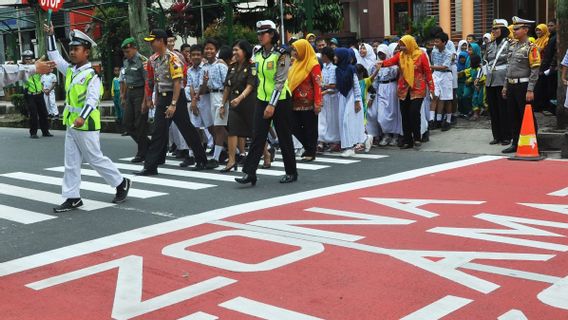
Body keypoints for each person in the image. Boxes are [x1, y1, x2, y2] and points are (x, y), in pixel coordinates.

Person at [45, 25, 131, 212]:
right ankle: (72, 197)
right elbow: (54, 56)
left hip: (86, 124)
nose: (72, 52)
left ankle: (121, 182)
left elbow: (93, 99)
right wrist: (50, 35)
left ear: (87, 52)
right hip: (71, 123)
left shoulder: (92, 75)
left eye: (76, 49)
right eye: (71, 49)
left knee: (94, 158)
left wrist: (82, 117)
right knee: (71, 162)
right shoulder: (70, 70)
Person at [136, 29, 212, 175]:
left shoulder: (172, 58)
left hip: (175, 97)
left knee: (187, 129)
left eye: (153, 41)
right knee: (159, 131)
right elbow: (154, 81)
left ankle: (201, 159)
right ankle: (151, 165)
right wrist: (152, 98)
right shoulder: (153, 59)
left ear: (161, 41)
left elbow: (177, 82)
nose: (151, 44)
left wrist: (173, 104)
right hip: (163, 97)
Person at [236, 20, 298, 186]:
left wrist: (272, 104)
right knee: (257, 136)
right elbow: (256, 75)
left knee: (284, 137)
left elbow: (280, 81)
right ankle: (250, 173)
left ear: (271, 34)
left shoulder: (282, 53)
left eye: (263, 33)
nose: (259, 36)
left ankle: (291, 172)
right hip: (262, 99)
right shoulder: (257, 53)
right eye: (258, 33)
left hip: (280, 100)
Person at [379, 35, 435, 149]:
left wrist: (432, 88)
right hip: (403, 89)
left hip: (418, 88)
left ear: (410, 44)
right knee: (404, 115)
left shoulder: (421, 55)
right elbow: (389, 62)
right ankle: (407, 141)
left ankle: (417, 138)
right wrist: (380, 64)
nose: (401, 47)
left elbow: (428, 73)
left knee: (414, 112)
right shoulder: (400, 56)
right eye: (400, 45)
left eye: (403, 45)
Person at [501, 17, 541, 154]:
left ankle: (533, 143)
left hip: (523, 86)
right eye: (514, 28)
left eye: (517, 28)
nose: (514, 31)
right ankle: (515, 142)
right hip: (511, 85)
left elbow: (535, 70)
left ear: (525, 30)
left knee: (527, 115)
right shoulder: (512, 46)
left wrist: (530, 89)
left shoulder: (532, 47)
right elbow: (509, 68)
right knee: (512, 116)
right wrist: (505, 86)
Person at [219, 40, 256, 172]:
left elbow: (250, 86)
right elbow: (227, 87)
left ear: (244, 52)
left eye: (237, 50)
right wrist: (222, 104)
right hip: (234, 103)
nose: (234, 53)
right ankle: (231, 160)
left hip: (248, 103)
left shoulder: (252, 66)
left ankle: (267, 153)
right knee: (233, 131)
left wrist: (240, 98)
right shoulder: (232, 66)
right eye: (233, 50)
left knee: (254, 131)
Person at [288, 39, 322, 162]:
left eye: (295, 49)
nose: (294, 52)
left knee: (310, 128)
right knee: (293, 126)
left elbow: (318, 84)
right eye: (293, 49)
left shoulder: (313, 64)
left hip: (309, 102)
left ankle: (311, 151)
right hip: (294, 102)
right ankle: (308, 147)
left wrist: (318, 102)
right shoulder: (296, 64)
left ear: (303, 49)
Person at [200, 38, 229, 167]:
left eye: (211, 48)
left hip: (221, 95)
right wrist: (205, 82)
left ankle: (216, 158)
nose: (209, 51)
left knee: (218, 127)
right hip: (211, 95)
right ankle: (235, 151)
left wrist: (223, 102)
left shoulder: (221, 65)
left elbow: (228, 84)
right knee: (216, 126)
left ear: (216, 50)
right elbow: (202, 90)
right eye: (206, 48)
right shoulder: (204, 67)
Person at [120, 38, 149, 163]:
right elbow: (126, 80)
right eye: (125, 52)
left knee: (140, 124)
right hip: (130, 93)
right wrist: (123, 96)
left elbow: (147, 82)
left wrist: (145, 101)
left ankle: (142, 152)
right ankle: (148, 144)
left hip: (140, 92)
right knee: (127, 123)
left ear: (134, 48)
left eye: (128, 51)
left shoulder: (142, 61)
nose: (126, 54)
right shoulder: (126, 62)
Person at [484, 19, 512, 146]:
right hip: (490, 80)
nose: (494, 31)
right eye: (493, 29)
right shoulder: (490, 44)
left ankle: (506, 136)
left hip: (502, 79)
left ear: (503, 30)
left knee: (503, 109)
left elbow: (510, 62)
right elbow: (485, 61)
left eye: (496, 29)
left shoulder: (509, 43)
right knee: (493, 109)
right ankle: (497, 135)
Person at [334, 48, 364, 157]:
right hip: (342, 97)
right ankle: (363, 140)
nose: (334, 57)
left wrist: (357, 101)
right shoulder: (337, 69)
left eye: (336, 55)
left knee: (347, 122)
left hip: (352, 97)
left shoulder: (351, 69)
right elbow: (338, 86)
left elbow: (356, 86)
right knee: (343, 122)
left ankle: (350, 147)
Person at [373, 44, 402, 147]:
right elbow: (375, 79)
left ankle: (395, 135)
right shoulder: (377, 64)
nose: (381, 55)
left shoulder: (394, 65)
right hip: (381, 88)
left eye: (382, 53)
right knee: (381, 115)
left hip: (392, 87)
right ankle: (386, 134)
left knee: (393, 112)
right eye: (379, 53)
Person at [22, 50, 52, 139]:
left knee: (44, 113)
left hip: (39, 94)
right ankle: (33, 133)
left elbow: (42, 70)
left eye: (30, 59)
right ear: (23, 60)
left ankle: (45, 131)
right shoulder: (23, 69)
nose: (28, 60)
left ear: (32, 59)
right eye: (26, 59)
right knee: (33, 114)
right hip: (30, 95)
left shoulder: (36, 68)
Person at [429, 32, 454, 131]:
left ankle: (448, 121)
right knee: (434, 96)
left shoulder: (448, 53)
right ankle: (432, 120)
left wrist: (430, 67)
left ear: (444, 42)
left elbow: (444, 67)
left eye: (437, 41)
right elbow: (433, 62)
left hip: (446, 75)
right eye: (434, 41)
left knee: (447, 99)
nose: (435, 43)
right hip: (436, 74)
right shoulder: (434, 52)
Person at [318, 46, 341, 152]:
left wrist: (322, 85)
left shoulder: (333, 68)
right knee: (323, 119)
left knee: (332, 119)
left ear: (326, 56)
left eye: (322, 55)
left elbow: (332, 85)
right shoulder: (324, 67)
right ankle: (322, 141)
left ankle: (335, 141)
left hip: (332, 97)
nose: (321, 57)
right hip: (324, 96)